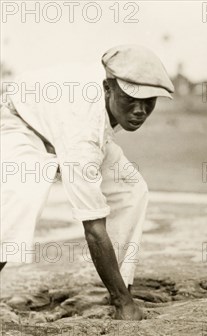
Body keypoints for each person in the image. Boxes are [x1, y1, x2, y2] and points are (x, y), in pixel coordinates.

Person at [0, 44, 174, 320]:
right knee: (23, 195)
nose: (140, 110)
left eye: (149, 101)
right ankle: (120, 298)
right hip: (15, 118)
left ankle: (122, 284)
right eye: (131, 98)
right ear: (108, 88)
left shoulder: (104, 97)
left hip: (57, 122)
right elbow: (93, 226)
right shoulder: (83, 131)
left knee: (131, 189)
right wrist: (124, 305)